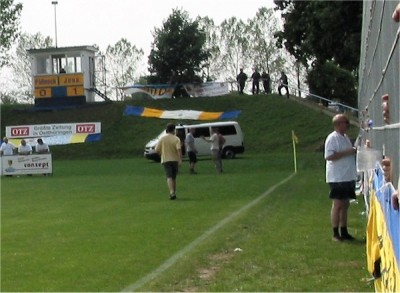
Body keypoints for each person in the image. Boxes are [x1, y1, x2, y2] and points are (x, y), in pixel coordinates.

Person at [324, 114, 357, 242]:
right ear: (338, 124)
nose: (347, 124)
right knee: (338, 204)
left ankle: (344, 230)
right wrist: (348, 152)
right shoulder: (332, 138)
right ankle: (335, 233)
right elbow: (329, 156)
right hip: (337, 177)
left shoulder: (345, 137)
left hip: (347, 175)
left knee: (345, 204)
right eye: (345, 122)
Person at [155, 123, 182, 200]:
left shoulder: (162, 138)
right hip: (175, 159)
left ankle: (172, 192)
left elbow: (156, 149)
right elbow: (179, 150)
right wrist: (180, 160)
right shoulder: (176, 139)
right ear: (174, 130)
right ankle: (173, 192)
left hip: (166, 159)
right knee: (173, 177)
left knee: (168, 176)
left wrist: (162, 154)